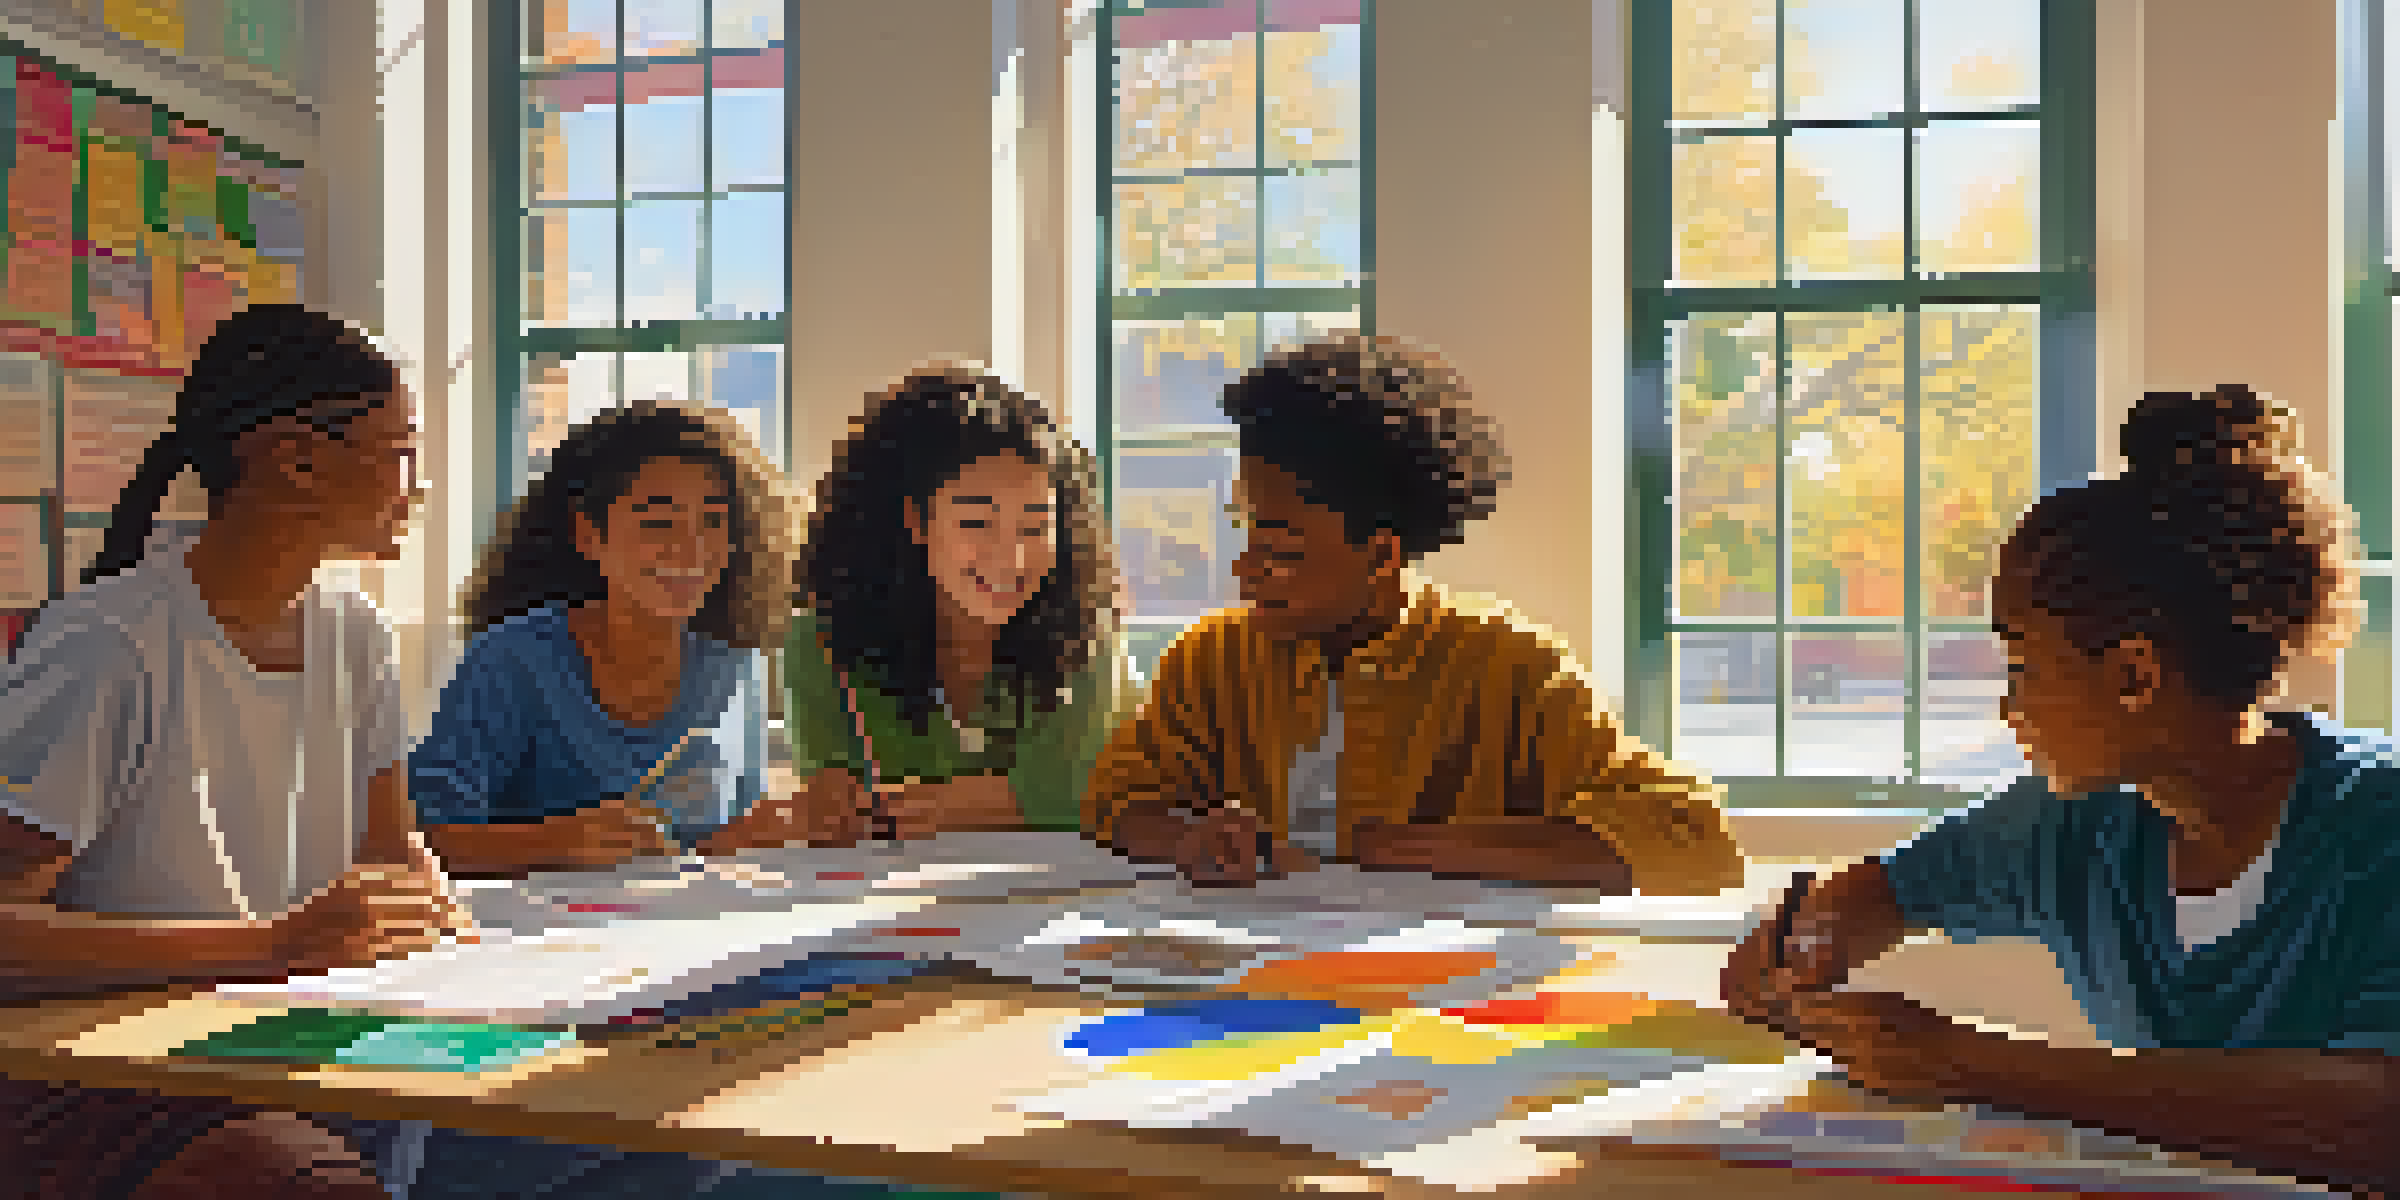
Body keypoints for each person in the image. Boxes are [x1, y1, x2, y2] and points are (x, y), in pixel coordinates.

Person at [1723, 384, 2400, 1195]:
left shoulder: (2379, 827)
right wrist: (1804, 939)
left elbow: (2377, 1124)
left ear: (2134, 675)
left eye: (2023, 667)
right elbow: (1876, 894)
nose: (2007, 707)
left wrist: (1974, 1064)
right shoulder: (2073, 822)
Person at [0, 304, 461, 1199]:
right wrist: (266, 945)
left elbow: (392, 855)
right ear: (295, 460)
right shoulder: (110, 646)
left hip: (297, 1046)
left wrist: (431, 907)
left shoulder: (357, 635)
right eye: (400, 451)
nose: (417, 483)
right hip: (121, 1078)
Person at [1086, 334, 1745, 894]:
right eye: (1246, 531)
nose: (1245, 570)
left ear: (1381, 555)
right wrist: (1188, 838)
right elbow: (1116, 801)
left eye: (1282, 552)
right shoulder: (1212, 658)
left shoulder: (1511, 666)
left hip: (1447, 983)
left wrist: (1395, 849)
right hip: (1245, 973)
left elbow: (1693, 837)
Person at [710, 362, 1126, 852]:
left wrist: (932, 808)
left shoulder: (1084, 633)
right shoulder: (820, 645)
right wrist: (1008, 800)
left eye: (1036, 527)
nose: (1012, 558)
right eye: (977, 523)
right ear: (915, 520)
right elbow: (844, 818)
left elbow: (1087, 797)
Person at [410, 400, 795, 874]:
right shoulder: (511, 660)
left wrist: (770, 831)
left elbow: (716, 844)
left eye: (714, 521)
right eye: (659, 523)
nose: (693, 549)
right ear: (589, 534)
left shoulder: (737, 662)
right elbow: (422, 840)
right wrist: (553, 844)